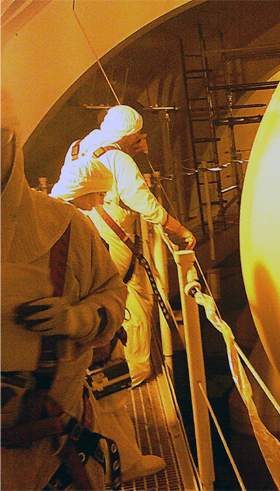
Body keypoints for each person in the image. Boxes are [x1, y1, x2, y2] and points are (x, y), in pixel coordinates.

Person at [1, 90, 127, 490]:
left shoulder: (64, 227)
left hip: (57, 455)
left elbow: (111, 294)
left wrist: (78, 319)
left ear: (10, 144)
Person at [50, 152, 167, 482]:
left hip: (76, 334)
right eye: (99, 193)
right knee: (109, 399)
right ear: (84, 189)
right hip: (93, 333)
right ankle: (128, 463)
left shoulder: (51, 214)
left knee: (94, 400)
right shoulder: (71, 223)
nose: (102, 199)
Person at [59, 104, 196, 386]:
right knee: (133, 297)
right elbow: (143, 202)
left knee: (93, 294)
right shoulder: (118, 159)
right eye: (138, 138)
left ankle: (99, 361)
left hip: (81, 231)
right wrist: (179, 229)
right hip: (114, 235)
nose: (142, 145)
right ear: (126, 134)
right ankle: (136, 369)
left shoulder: (77, 146)